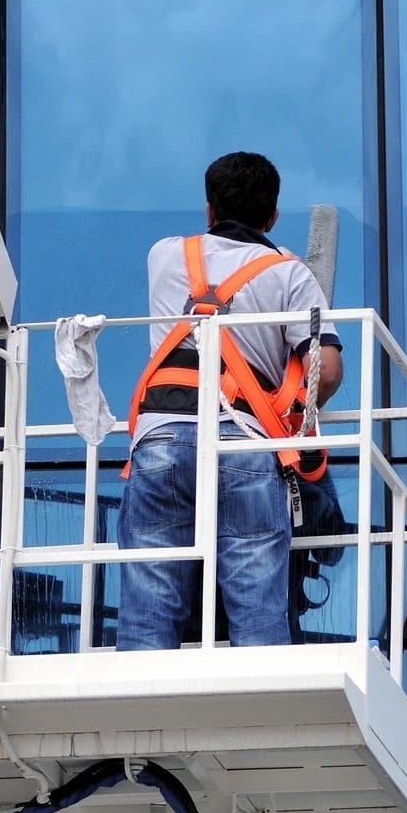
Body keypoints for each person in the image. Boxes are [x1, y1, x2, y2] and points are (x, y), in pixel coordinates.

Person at [116, 151, 343, 650]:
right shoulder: (288, 273)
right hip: (243, 445)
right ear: (273, 216)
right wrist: (294, 411)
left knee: (147, 618)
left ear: (209, 209)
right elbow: (326, 370)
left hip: (161, 444)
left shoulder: (165, 256)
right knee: (259, 616)